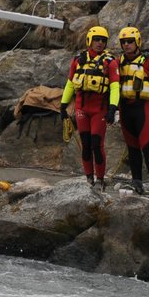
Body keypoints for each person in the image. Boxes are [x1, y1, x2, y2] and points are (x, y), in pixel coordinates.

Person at [58, 26, 120, 188]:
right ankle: (89, 178)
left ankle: (100, 179)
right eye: (97, 39)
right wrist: (63, 105)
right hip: (81, 109)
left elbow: (114, 87)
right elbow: (71, 83)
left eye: (103, 40)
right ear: (89, 41)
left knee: (96, 145)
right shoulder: (78, 60)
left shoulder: (110, 62)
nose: (100, 43)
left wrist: (113, 107)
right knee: (85, 144)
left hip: (99, 110)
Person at [113, 25, 149, 194]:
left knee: (147, 146)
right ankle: (137, 181)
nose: (127, 45)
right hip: (126, 109)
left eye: (130, 41)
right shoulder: (118, 62)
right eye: (124, 42)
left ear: (137, 42)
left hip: (144, 107)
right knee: (132, 147)